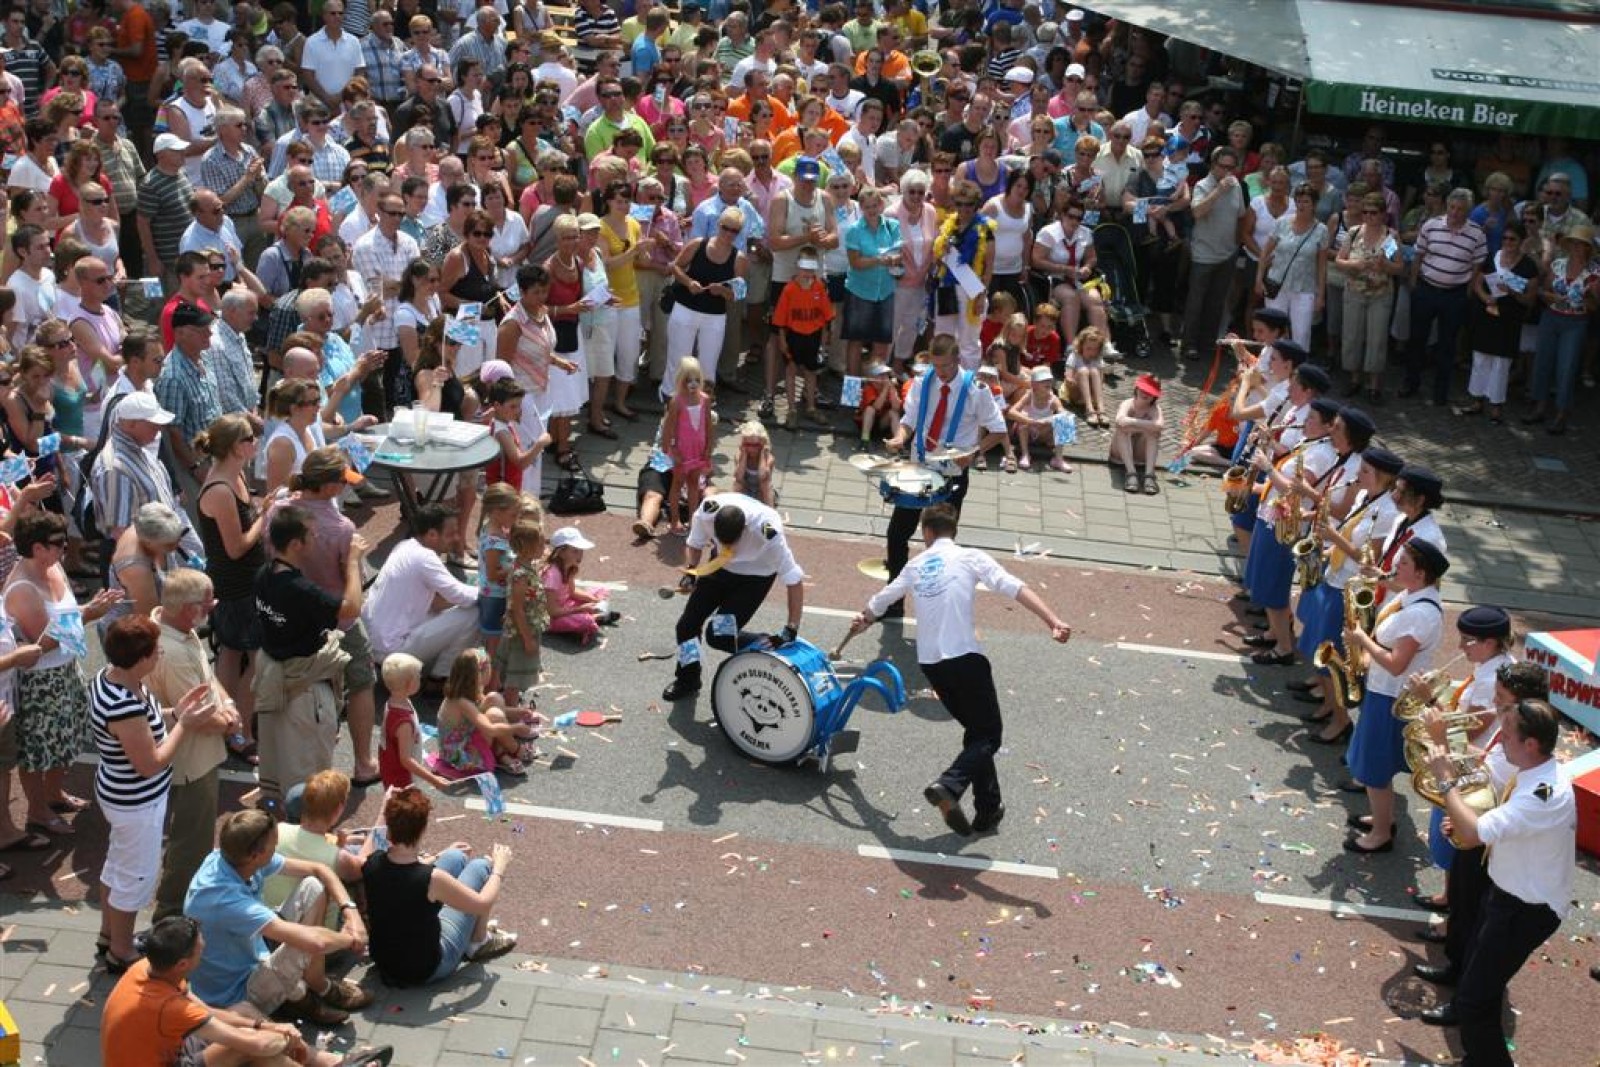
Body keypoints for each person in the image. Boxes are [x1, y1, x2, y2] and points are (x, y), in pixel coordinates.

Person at [847, 503, 1071, 836]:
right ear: (954, 530)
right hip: (965, 656)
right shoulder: (970, 557)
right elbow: (1014, 586)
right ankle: (950, 785)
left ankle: (988, 809)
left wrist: (864, 620)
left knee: (976, 732)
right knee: (989, 735)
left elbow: (884, 597)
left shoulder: (916, 564)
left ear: (926, 531)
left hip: (931, 664)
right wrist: (1052, 621)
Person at [1420, 696, 1574, 1067]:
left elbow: (1474, 833)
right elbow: (1491, 824)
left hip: (1525, 910)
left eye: (1506, 732)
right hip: (1507, 895)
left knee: (1473, 1001)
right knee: (1479, 989)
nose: (1499, 737)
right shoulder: (1537, 774)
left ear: (1530, 744)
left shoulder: (1543, 795)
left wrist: (1446, 781)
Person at [90, 614, 216, 971]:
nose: (160, 653)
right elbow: (152, 763)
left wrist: (176, 712)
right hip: (136, 802)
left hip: (119, 792)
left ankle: (108, 935)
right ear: (140, 658)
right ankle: (121, 950)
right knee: (136, 877)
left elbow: (145, 722)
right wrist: (185, 725)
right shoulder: (124, 703)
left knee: (117, 866)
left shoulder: (110, 678)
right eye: (155, 650)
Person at [101, 915, 388, 1067]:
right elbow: (249, 1045)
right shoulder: (168, 1007)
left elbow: (206, 1011)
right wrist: (284, 1036)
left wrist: (263, 1026)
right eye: (201, 949)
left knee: (244, 1011)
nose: (205, 949)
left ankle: (328, 1063)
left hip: (165, 1050)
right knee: (251, 1050)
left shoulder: (148, 968)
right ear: (183, 964)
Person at [183, 808, 374, 1026]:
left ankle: (315, 983)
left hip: (252, 952)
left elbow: (319, 869)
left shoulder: (231, 858)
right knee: (304, 942)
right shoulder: (225, 900)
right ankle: (304, 1000)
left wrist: (351, 913)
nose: (276, 850)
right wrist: (351, 938)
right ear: (255, 855)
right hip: (236, 992)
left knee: (313, 886)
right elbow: (316, 942)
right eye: (274, 846)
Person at [880, 334, 1010, 608]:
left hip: (951, 475)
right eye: (936, 367)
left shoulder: (976, 389)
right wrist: (900, 438)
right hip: (919, 470)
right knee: (897, 534)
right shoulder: (922, 382)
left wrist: (974, 453)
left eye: (946, 367)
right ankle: (894, 603)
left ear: (958, 360)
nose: (941, 373)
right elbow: (909, 419)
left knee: (939, 547)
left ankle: (937, 605)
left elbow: (998, 429)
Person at [252, 504, 369, 804]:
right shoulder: (300, 589)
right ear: (295, 544)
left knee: (278, 762)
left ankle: (280, 816)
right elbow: (351, 609)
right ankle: (304, 826)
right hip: (304, 692)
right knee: (308, 776)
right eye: (311, 535)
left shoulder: (263, 575)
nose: (316, 539)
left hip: (274, 680)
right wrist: (352, 562)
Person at [1343, 538, 1448, 854]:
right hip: (1385, 691)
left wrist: (1362, 640)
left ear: (1420, 573)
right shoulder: (1414, 594)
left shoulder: (1420, 615)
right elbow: (1393, 584)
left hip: (1391, 696)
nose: (1395, 566)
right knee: (1377, 762)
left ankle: (1381, 833)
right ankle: (1382, 818)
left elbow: (1396, 663)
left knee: (1375, 767)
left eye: (1403, 563)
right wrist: (1377, 576)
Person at [362, 785, 517, 986]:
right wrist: (499, 868)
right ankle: (479, 942)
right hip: (427, 968)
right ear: (422, 829)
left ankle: (474, 936)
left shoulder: (372, 862)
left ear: (388, 830)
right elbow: (482, 903)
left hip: (385, 961)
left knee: (454, 856)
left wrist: (439, 855)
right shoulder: (432, 879)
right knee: (480, 866)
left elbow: (402, 870)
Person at [661, 491, 807, 703]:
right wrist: (691, 573)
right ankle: (688, 679)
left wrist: (790, 628)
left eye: (732, 542)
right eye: (722, 541)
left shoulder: (768, 532)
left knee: (718, 635)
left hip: (754, 579)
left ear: (745, 529)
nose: (728, 547)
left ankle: (766, 645)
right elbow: (696, 543)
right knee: (686, 627)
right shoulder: (707, 511)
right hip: (719, 566)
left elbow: (794, 580)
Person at [361, 503, 480, 681]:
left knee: (450, 609)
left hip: (374, 643)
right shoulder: (425, 557)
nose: (457, 538)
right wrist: (494, 589)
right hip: (392, 650)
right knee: (474, 613)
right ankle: (441, 677)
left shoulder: (404, 545)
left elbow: (438, 603)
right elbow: (461, 596)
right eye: (450, 534)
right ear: (432, 534)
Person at [1401, 188, 1486, 406]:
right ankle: (1411, 383)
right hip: (1426, 289)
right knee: (1417, 339)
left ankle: (1441, 392)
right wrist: (1414, 283)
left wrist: (1467, 293)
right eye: (1452, 208)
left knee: (1447, 345)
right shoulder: (1431, 225)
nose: (1455, 213)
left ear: (1468, 211)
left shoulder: (1477, 234)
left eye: (1460, 209)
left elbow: (1477, 265)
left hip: (1454, 295)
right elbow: (1419, 255)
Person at [495, 520, 550, 708]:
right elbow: (517, 608)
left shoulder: (523, 567)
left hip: (523, 628)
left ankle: (507, 707)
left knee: (511, 673)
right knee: (515, 678)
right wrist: (527, 639)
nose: (544, 547)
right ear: (528, 547)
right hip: (521, 632)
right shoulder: (521, 575)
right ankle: (510, 712)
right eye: (540, 544)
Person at [1111, 371, 1165, 495]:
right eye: (1143, 390)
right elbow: (1119, 420)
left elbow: (1159, 425)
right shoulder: (1127, 403)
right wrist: (1147, 426)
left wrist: (1132, 423)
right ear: (1137, 389)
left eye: (1150, 392)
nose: (1145, 394)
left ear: (1154, 396)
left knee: (1154, 433)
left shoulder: (1154, 409)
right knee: (1122, 430)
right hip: (1119, 455)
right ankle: (1131, 473)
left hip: (1141, 457)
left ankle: (1149, 475)